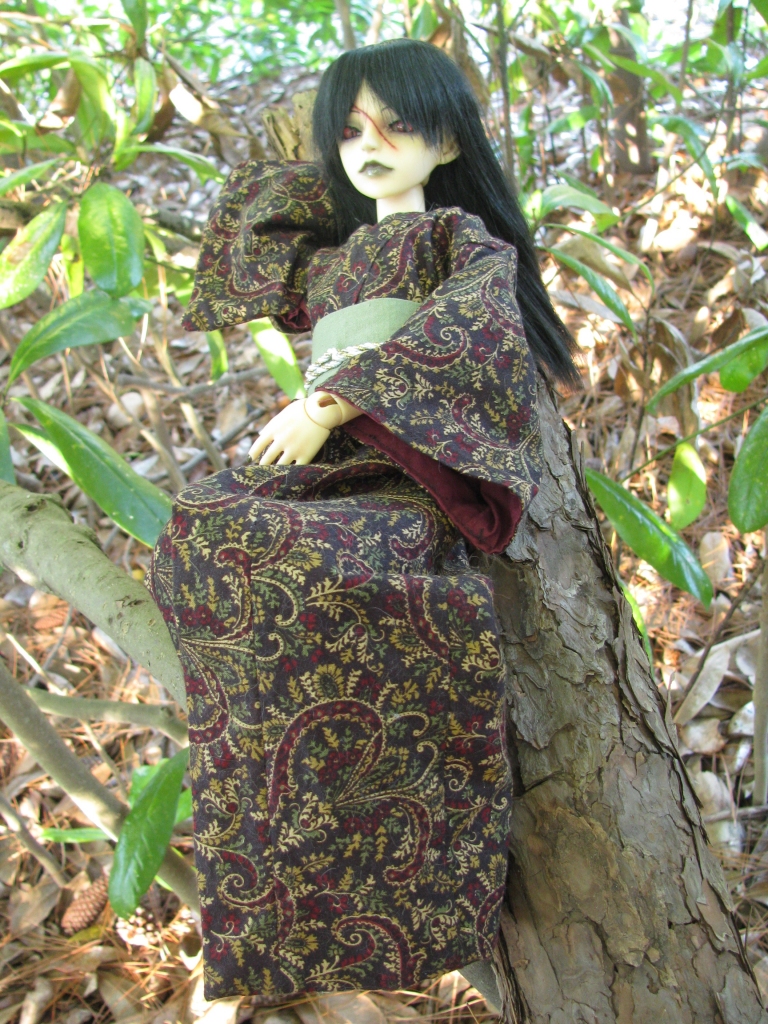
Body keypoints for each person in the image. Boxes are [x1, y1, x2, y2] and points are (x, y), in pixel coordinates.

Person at [149, 38, 579, 1001]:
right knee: (207, 532)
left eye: (398, 124)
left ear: (449, 141)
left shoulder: (457, 242)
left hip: (403, 465)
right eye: (349, 130)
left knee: (322, 563)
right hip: (326, 468)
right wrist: (333, 169)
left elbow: (468, 332)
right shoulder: (334, 260)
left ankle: (407, 867)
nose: (370, 145)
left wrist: (329, 404)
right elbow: (257, 229)